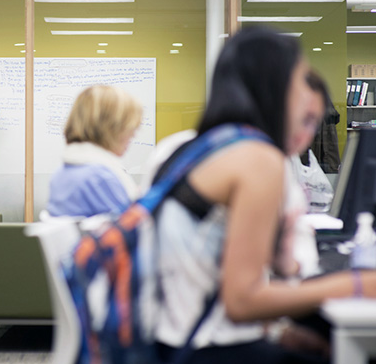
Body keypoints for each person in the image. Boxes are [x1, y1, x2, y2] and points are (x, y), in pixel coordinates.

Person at [151, 26, 375, 364]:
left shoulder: (194, 149)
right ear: (277, 86)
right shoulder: (258, 158)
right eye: (300, 78)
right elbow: (241, 301)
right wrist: (356, 285)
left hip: (167, 342)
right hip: (204, 351)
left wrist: (277, 332)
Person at [47, 84, 142, 217]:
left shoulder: (63, 172)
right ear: (111, 128)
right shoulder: (101, 179)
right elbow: (132, 230)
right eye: (130, 127)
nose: (133, 135)